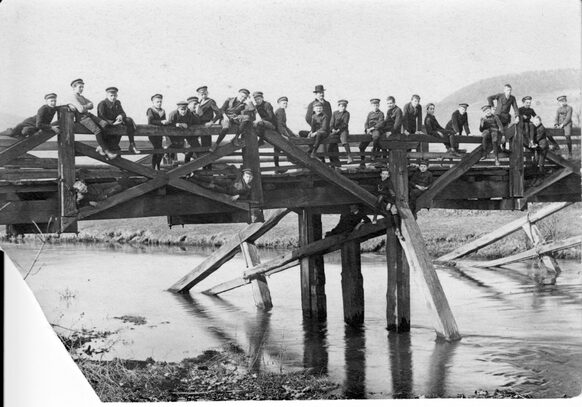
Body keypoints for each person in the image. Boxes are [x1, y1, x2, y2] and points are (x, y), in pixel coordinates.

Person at [66, 78, 114, 159]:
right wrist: (83, 106)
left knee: (104, 124)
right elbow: (80, 110)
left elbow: (91, 105)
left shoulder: (82, 97)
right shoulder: (72, 97)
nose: (82, 89)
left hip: (89, 115)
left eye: (82, 87)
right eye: (80, 87)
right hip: (82, 118)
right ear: (74, 88)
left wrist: (83, 106)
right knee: (97, 130)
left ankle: (101, 146)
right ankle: (107, 151)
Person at [97, 87, 140, 154]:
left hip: (117, 125)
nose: (113, 97)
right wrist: (112, 123)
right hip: (107, 126)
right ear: (107, 95)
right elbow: (101, 117)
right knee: (113, 148)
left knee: (129, 120)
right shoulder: (102, 104)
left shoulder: (117, 102)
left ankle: (132, 145)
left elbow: (123, 113)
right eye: (111, 95)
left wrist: (121, 115)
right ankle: (104, 147)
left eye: (115, 95)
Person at [304, 85, 334, 163]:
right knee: (319, 145)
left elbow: (330, 116)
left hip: (327, 129)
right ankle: (321, 163)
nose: (321, 94)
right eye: (319, 93)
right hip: (317, 130)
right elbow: (308, 118)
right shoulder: (312, 104)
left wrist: (330, 127)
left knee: (333, 145)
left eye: (322, 92)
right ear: (315, 94)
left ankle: (335, 165)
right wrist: (314, 128)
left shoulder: (327, 104)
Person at [372, 167, 403, 239]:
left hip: (389, 199)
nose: (384, 175)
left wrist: (390, 203)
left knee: (394, 212)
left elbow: (393, 194)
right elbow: (375, 190)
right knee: (380, 197)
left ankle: (398, 230)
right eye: (383, 174)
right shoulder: (378, 181)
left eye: (386, 174)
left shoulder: (389, 183)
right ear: (380, 174)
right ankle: (375, 217)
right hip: (381, 199)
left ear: (388, 176)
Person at [487, 84, 520, 152]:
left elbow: (515, 107)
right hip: (498, 116)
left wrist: (517, 116)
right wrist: (492, 107)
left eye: (510, 90)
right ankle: (497, 147)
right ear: (504, 90)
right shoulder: (500, 95)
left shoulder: (512, 98)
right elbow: (489, 98)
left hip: (505, 117)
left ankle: (504, 148)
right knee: (498, 131)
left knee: (505, 131)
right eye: (507, 90)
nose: (509, 92)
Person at [359, 98, 385, 168]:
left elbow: (381, 123)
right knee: (361, 146)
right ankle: (362, 163)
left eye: (377, 105)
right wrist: (367, 129)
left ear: (379, 105)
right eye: (374, 105)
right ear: (371, 106)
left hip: (376, 129)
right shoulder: (370, 114)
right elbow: (366, 122)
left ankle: (373, 151)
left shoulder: (381, 113)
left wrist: (373, 128)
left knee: (376, 137)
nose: (375, 107)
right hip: (369, 130)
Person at [146, 93, 168, 170]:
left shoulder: (163, 111)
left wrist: (165, 123)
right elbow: (151, 121)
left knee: (158, 151)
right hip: (152, 133)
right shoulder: (150, 110)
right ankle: (154, 167)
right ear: (153, 102)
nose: (159, 103)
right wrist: (161, 122)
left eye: (160, 102)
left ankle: (157, 166)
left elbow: (164, 121)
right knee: (158, 149)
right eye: (157, 102)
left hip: (160, 134)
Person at [329, 99, 352, 165]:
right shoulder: (334, 113)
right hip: (334, 130)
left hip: (343, 130)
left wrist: (338, 130)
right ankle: (333, 163)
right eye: (341, 106)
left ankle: (349, 156)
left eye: (344, 106)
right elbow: (331, 123)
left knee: (344, 140)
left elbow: (345, 124)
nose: (343, 108)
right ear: (338, 106)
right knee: (330, 142)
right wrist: (332, 129)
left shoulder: (347, 113)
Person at [184, 96, 201, 162]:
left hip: (193, 138)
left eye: (197, 104)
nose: (196, 106)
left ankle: (187, 171)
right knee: (200, 154)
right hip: (189, 138)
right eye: (194, 104)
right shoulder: (187, 113)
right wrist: (197, 113)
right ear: (189, 105)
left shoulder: (193, 113)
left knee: (189, 154)